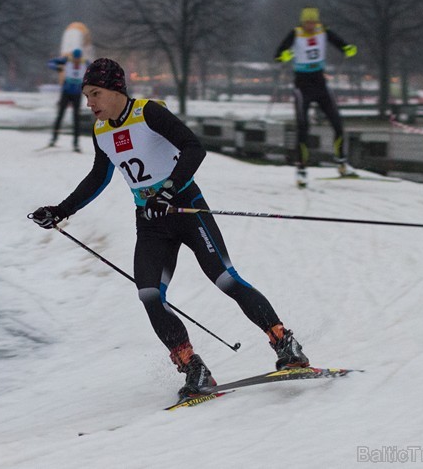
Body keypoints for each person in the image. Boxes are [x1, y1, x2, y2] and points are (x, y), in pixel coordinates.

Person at [31, 58, 309, 399]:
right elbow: (97, 177)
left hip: (186, 208)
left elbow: (194, 148)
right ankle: (194, 366)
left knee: (225, 279)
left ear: (116, 90)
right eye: (87, 95)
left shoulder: (149, 113)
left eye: (95, 94)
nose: (89, 103)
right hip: (150, 223)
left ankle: (285, 342)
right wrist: (60, 211)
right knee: (149, 294)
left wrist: (169, 188)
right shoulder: (101, 130)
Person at [274, 6, 358, 188]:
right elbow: (277, 55)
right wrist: (284, 56)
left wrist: (348, 48)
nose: (310, 25)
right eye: (307, 22)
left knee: (337, 123)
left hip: (320, 83)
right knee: (303, 127)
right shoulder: (295, 34)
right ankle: (301, 170)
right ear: (302, 22)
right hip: (302, 86)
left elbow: (340, 43)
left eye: (313, 22)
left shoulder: (323, 31)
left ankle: (341, 162)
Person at [47, 48, 87, 152]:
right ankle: (53, 139)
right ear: (72, 56)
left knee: (76, 118)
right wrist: (57, 67)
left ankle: (76, 144)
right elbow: (50, 63)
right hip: (66, 92)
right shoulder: (66, 60)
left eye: (78, 58)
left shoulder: (85, 62)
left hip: (77, 93)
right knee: (60, 115)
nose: (76, 60)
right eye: (75, 58)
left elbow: (96, 69)